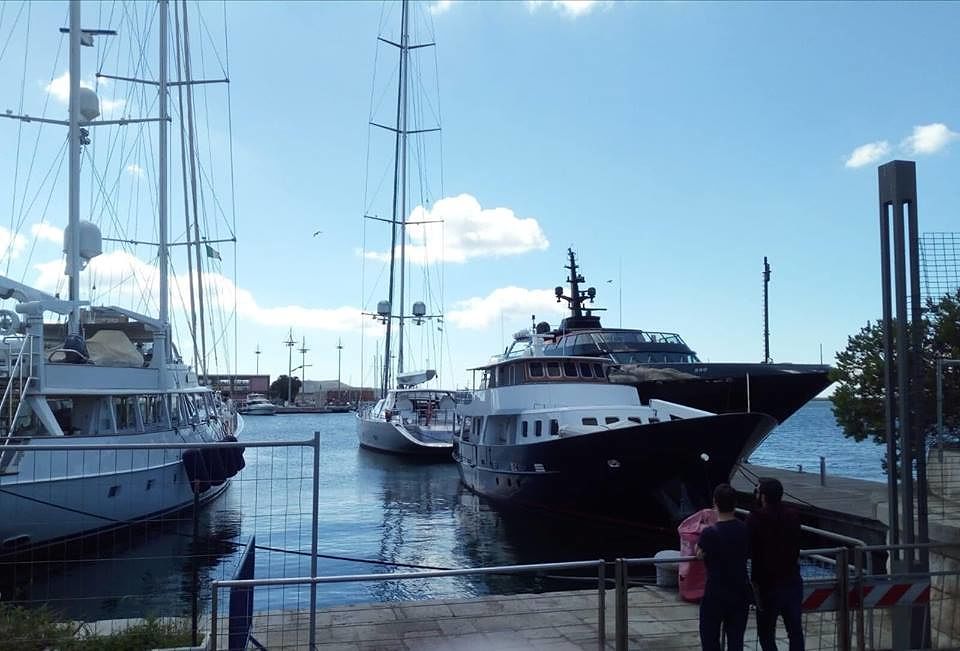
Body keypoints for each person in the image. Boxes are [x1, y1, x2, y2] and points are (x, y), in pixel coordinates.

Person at [748, 477, 805, 651]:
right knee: (795, 631)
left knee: (766, 634)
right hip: (792, 579)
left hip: (767, 585)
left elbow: (748, 547)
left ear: (763, 496)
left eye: (757, 491)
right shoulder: (793, 515)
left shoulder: (755, 518)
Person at [696, 483, 751, 651]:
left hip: (716, 590)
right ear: (735, 503)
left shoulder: (709, 533)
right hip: (741, 589)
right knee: (736, 639)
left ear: (715, 503)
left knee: (710, 637)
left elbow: (699, 553)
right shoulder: (745, 528)